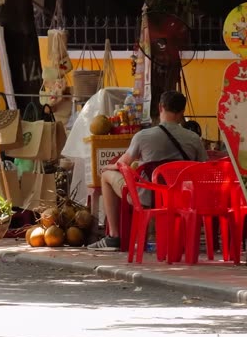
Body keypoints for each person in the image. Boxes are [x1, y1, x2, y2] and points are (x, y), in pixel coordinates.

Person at [88, 90, 207, 251]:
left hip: (147, 197)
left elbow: (123, 164)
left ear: (160, 107)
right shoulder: (193, 139)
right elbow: (203, 168)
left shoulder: (143, 136)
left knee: (106, 175)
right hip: (181, 198)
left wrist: (107, 167)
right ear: (182, 112)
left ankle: (114, 237)